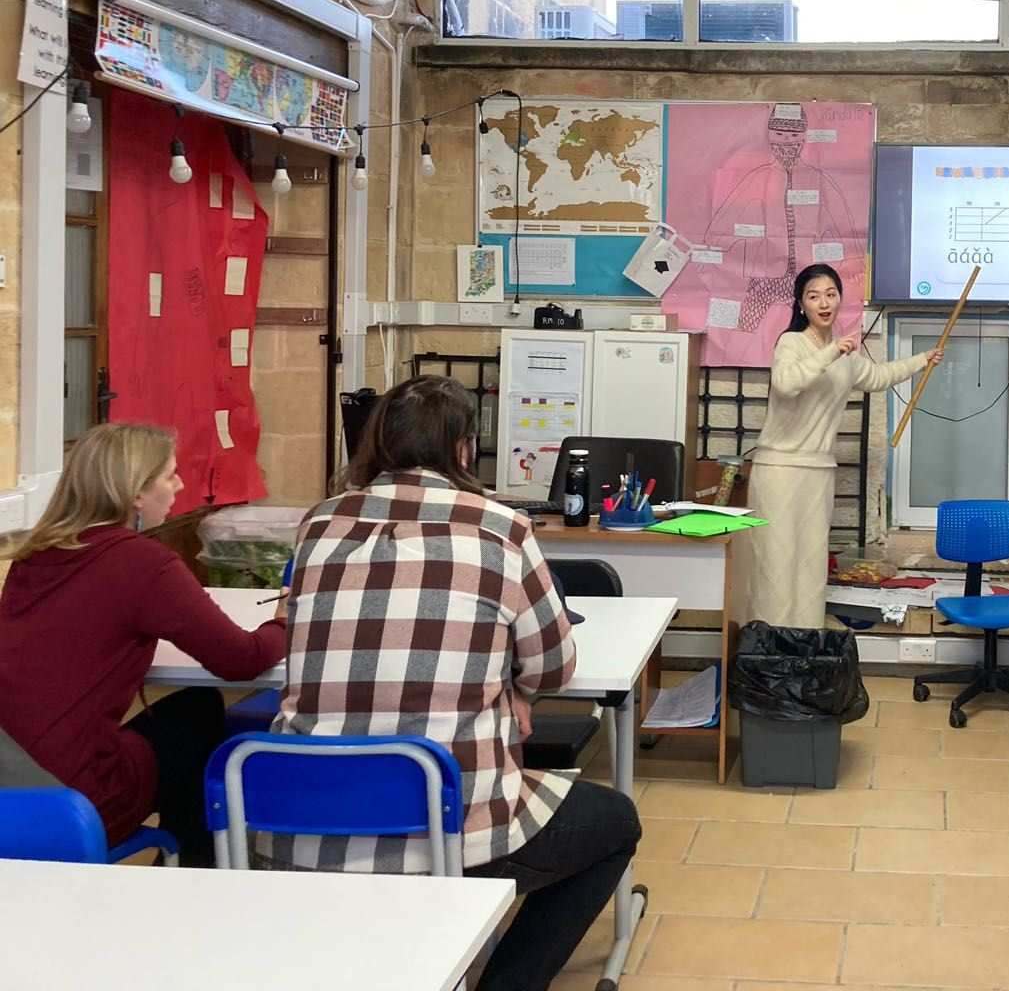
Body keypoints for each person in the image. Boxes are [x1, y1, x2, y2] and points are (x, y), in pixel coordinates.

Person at [273, 376, 639, 991]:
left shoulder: (319, 522)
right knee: (614, 822)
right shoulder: (502, 528)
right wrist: (516, 690)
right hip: (446, 822)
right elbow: (553, 666)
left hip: (303, 818)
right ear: (465, 449)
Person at [0, 423, 286, 866]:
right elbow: (242, 659)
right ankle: (197, 869)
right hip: (75, 795)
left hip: (13, 782)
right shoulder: (144, 563)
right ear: (136, 492)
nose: (180, 485)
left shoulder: (33, 557)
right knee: (198, 712)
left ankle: (186, 865)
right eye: (170, 475)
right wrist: (284, 621)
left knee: (174, 723)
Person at [733, 263, 941, 628]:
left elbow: (878, 376)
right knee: (775, 561)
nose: (824, 303)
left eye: (831, 294)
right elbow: (786, 383)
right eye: (814, 296)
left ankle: (806, 640)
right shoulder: (791, 343)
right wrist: (830, 352)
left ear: (840, 299)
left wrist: (922, 360)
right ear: (801, 304)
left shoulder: (845, 356)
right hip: (779, 469)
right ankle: (771, 645)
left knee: (812, 563)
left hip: (819, 471)